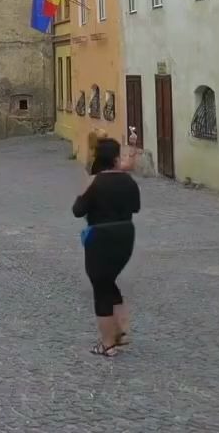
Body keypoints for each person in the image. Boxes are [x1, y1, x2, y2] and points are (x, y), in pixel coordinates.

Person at [71, 136, 140, 357]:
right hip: (126, 235)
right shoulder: (129, 181)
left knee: (100, 288)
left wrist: (85, 189)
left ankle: (107, 344)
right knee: (108, 281)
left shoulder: (96, 182)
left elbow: (78, 210)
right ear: (116, 158)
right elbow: (136, 207)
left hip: (101, 237)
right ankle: (121, 332)